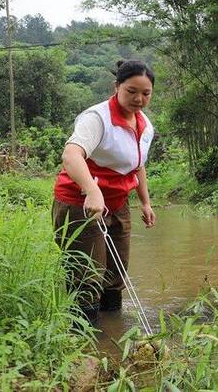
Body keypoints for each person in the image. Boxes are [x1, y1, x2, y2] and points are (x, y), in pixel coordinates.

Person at [52, 59, 156, 323]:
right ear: (116, 87)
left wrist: (145, 202)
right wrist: (91, 190)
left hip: (118, 203)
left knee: (115, 274)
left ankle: (112, 336)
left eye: (145, 93)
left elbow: (138, 165)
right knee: (87, 277)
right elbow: (71, 155)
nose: (138, 99)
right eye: (131, 91)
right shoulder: (97, 118)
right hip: (80, 203)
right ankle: (84, 348)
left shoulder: (144, 125)